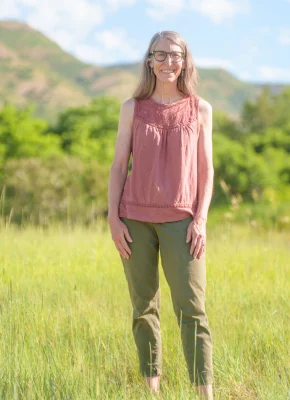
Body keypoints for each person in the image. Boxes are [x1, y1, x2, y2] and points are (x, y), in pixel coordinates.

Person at [108, 30, 214, 399]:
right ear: (149, 60)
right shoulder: (131, 108)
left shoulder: (200, 108)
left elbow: (207, 170)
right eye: (162, 55)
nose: (169, 62)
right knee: (143, 307)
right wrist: (113, 219)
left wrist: (200, 219)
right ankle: (151, 391)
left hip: (183, 221)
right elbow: (119, 165)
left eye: (177, 55)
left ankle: (204, 394)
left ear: (186, 61)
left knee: (192, 309)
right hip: (133, 219)